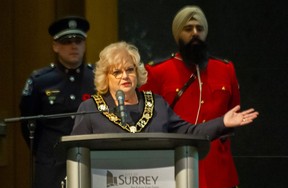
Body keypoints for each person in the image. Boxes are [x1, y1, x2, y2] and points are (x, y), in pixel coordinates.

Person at [140, 5, 244, 188]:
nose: (195, 33)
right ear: (178, 33)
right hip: (175, 170)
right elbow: (147, 120)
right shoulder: (158, 71)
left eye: (199, 28)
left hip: (218, 175)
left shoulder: (225, 69)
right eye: (188, 29)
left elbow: (234, 111)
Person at [71, 41, 257, 153]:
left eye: (130, 70)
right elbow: (76, 154)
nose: (125, 76)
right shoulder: (90, 109)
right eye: (116, 72)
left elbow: (189, 133)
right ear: (106, 77)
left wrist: (223, 122)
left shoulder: (157, 104)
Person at [19, 16, 96, 188]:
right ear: (55, 46)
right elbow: (28, 126)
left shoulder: (97, 79)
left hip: (91, 165)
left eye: (78, 41)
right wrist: (46, 152)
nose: (73, 46)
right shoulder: (40, 81)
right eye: (66, 42)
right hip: (51, 170)